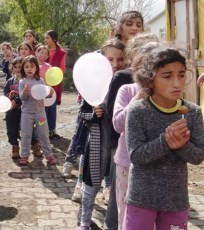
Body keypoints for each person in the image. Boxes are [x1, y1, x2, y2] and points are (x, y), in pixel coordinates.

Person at [124, 45, 204, 229]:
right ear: (150, 80)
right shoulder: (137, 111)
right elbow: (136, 156)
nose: (177, 83)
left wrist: (182, 145)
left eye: (181, 75)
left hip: (176, 200)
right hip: (141, 199)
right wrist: (165, 142)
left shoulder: (192, 112)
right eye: (167, 76)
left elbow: (198, 156)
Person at [102, 33, 157, 230]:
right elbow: (117, 123)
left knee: (152, 216)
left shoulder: (166, 92)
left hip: (156, 166)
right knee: (125, 214)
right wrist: (140, 97)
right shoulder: (127, 90)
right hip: (126, 162)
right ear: (134, 64)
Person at [76, 38, 126, 230]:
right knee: (91, 184)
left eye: (120, 59)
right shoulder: (95, 83)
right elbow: (82, 113)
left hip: (119, 146)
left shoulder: (126, 83)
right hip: (97, 143)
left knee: (116, 188)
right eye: (110, 59)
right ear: (102, 59)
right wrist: (93, 115)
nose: (115, 64)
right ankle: (85, 222)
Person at [18, 55, 57, 166]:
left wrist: (50, 93)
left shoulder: (41, 81)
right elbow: (22, 98)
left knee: (44, 134)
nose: (29, 69)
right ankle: (24, 155)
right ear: (23, 69)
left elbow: (46, 95)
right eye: (26, 67)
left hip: (40, 113)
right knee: (26, 135)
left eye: (32, 66)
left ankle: (49, 155)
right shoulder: (22, 82)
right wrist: (24, 92)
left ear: (36, 68)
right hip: (27, 113)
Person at [44, 30, 66, 140]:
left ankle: (52, 131)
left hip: (54, 83)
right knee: (42, 108)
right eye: (45, 38)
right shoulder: (43, 51)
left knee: (51, 107)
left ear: (54, 39)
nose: (45, 40)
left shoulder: (61, 53)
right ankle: (42, 130)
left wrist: (52, 73)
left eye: (47, 38)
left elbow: (62, 68)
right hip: (42, 84)